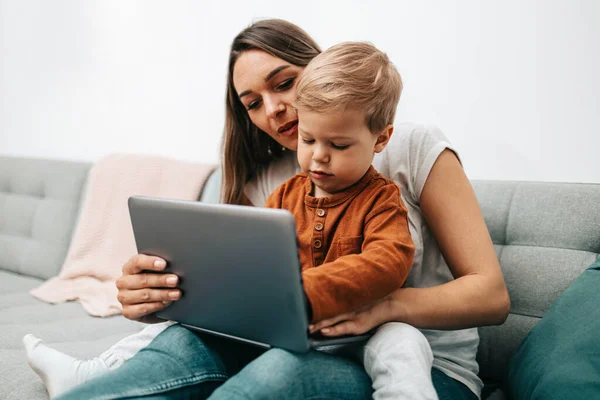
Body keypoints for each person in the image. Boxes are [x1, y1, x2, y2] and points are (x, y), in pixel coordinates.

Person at [27, 18, 509, 400]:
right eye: (252, 103)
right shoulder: (273, 183)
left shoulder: (408, 149)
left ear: (318, 69)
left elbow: (491, 296)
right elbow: (239, 294)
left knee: (279, 373)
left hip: (421, 366)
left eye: (284, 83)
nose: (273, 110)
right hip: (305, 341)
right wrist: (159, 293)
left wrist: (378, 306)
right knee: (180, 343)